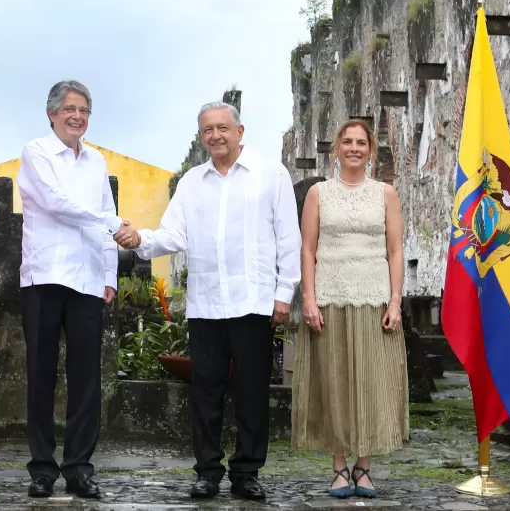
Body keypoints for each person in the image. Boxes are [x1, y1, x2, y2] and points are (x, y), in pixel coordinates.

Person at [115, 101, 301, 501]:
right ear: (201, 137)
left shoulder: (271, 174)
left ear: (239, 131)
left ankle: (247, 472)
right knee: (206, 392)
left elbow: (288, 238)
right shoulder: (191, 182)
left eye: (222, 128)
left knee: (252, 391)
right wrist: (140, 239)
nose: (215, 136)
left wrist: (284, 294)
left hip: (253, 302)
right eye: (207, 131)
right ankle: (208, 471)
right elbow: (174, 235)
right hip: (207, 303)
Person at [291, 119, 409, 499]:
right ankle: (339, 466)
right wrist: (308, 299)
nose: (354, 148)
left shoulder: (386, 194)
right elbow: (308, 249)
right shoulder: (319, 194)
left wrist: (395, 300)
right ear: (337, 149)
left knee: (372, 382)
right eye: (347, 141)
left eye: (361, 142)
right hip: (329, 298)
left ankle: (365, 466)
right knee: (335, 380)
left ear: (371, 149)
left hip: (375, 300)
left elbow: (395, 251)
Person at [17, 80, 124, 500]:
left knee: (86, 379)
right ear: (52, 113)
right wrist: (112, 224)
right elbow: (54, 202)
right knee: (41, 376)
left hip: (86, 279)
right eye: (70, 109)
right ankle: (42, 468)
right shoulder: (36, 152)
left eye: (84, 110)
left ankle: (79, 467)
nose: (77, 116)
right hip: (44, 276)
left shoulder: (96, 160)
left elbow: (106, 212)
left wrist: (110, 275)